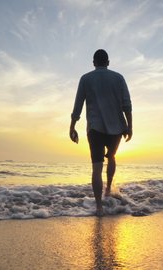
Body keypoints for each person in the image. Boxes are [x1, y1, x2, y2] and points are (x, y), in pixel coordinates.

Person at [69, 49, 133, 217]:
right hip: (117, 128)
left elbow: (78, 105)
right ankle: (107, 189)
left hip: (95, 128)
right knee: (111, 157)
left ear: (93, 62)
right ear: (108, 62)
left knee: (96, 168)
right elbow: (127, 104)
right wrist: (130, 125)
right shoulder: (118, 78)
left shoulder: (85, 78)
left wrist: (72, 126)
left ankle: (99, 207)